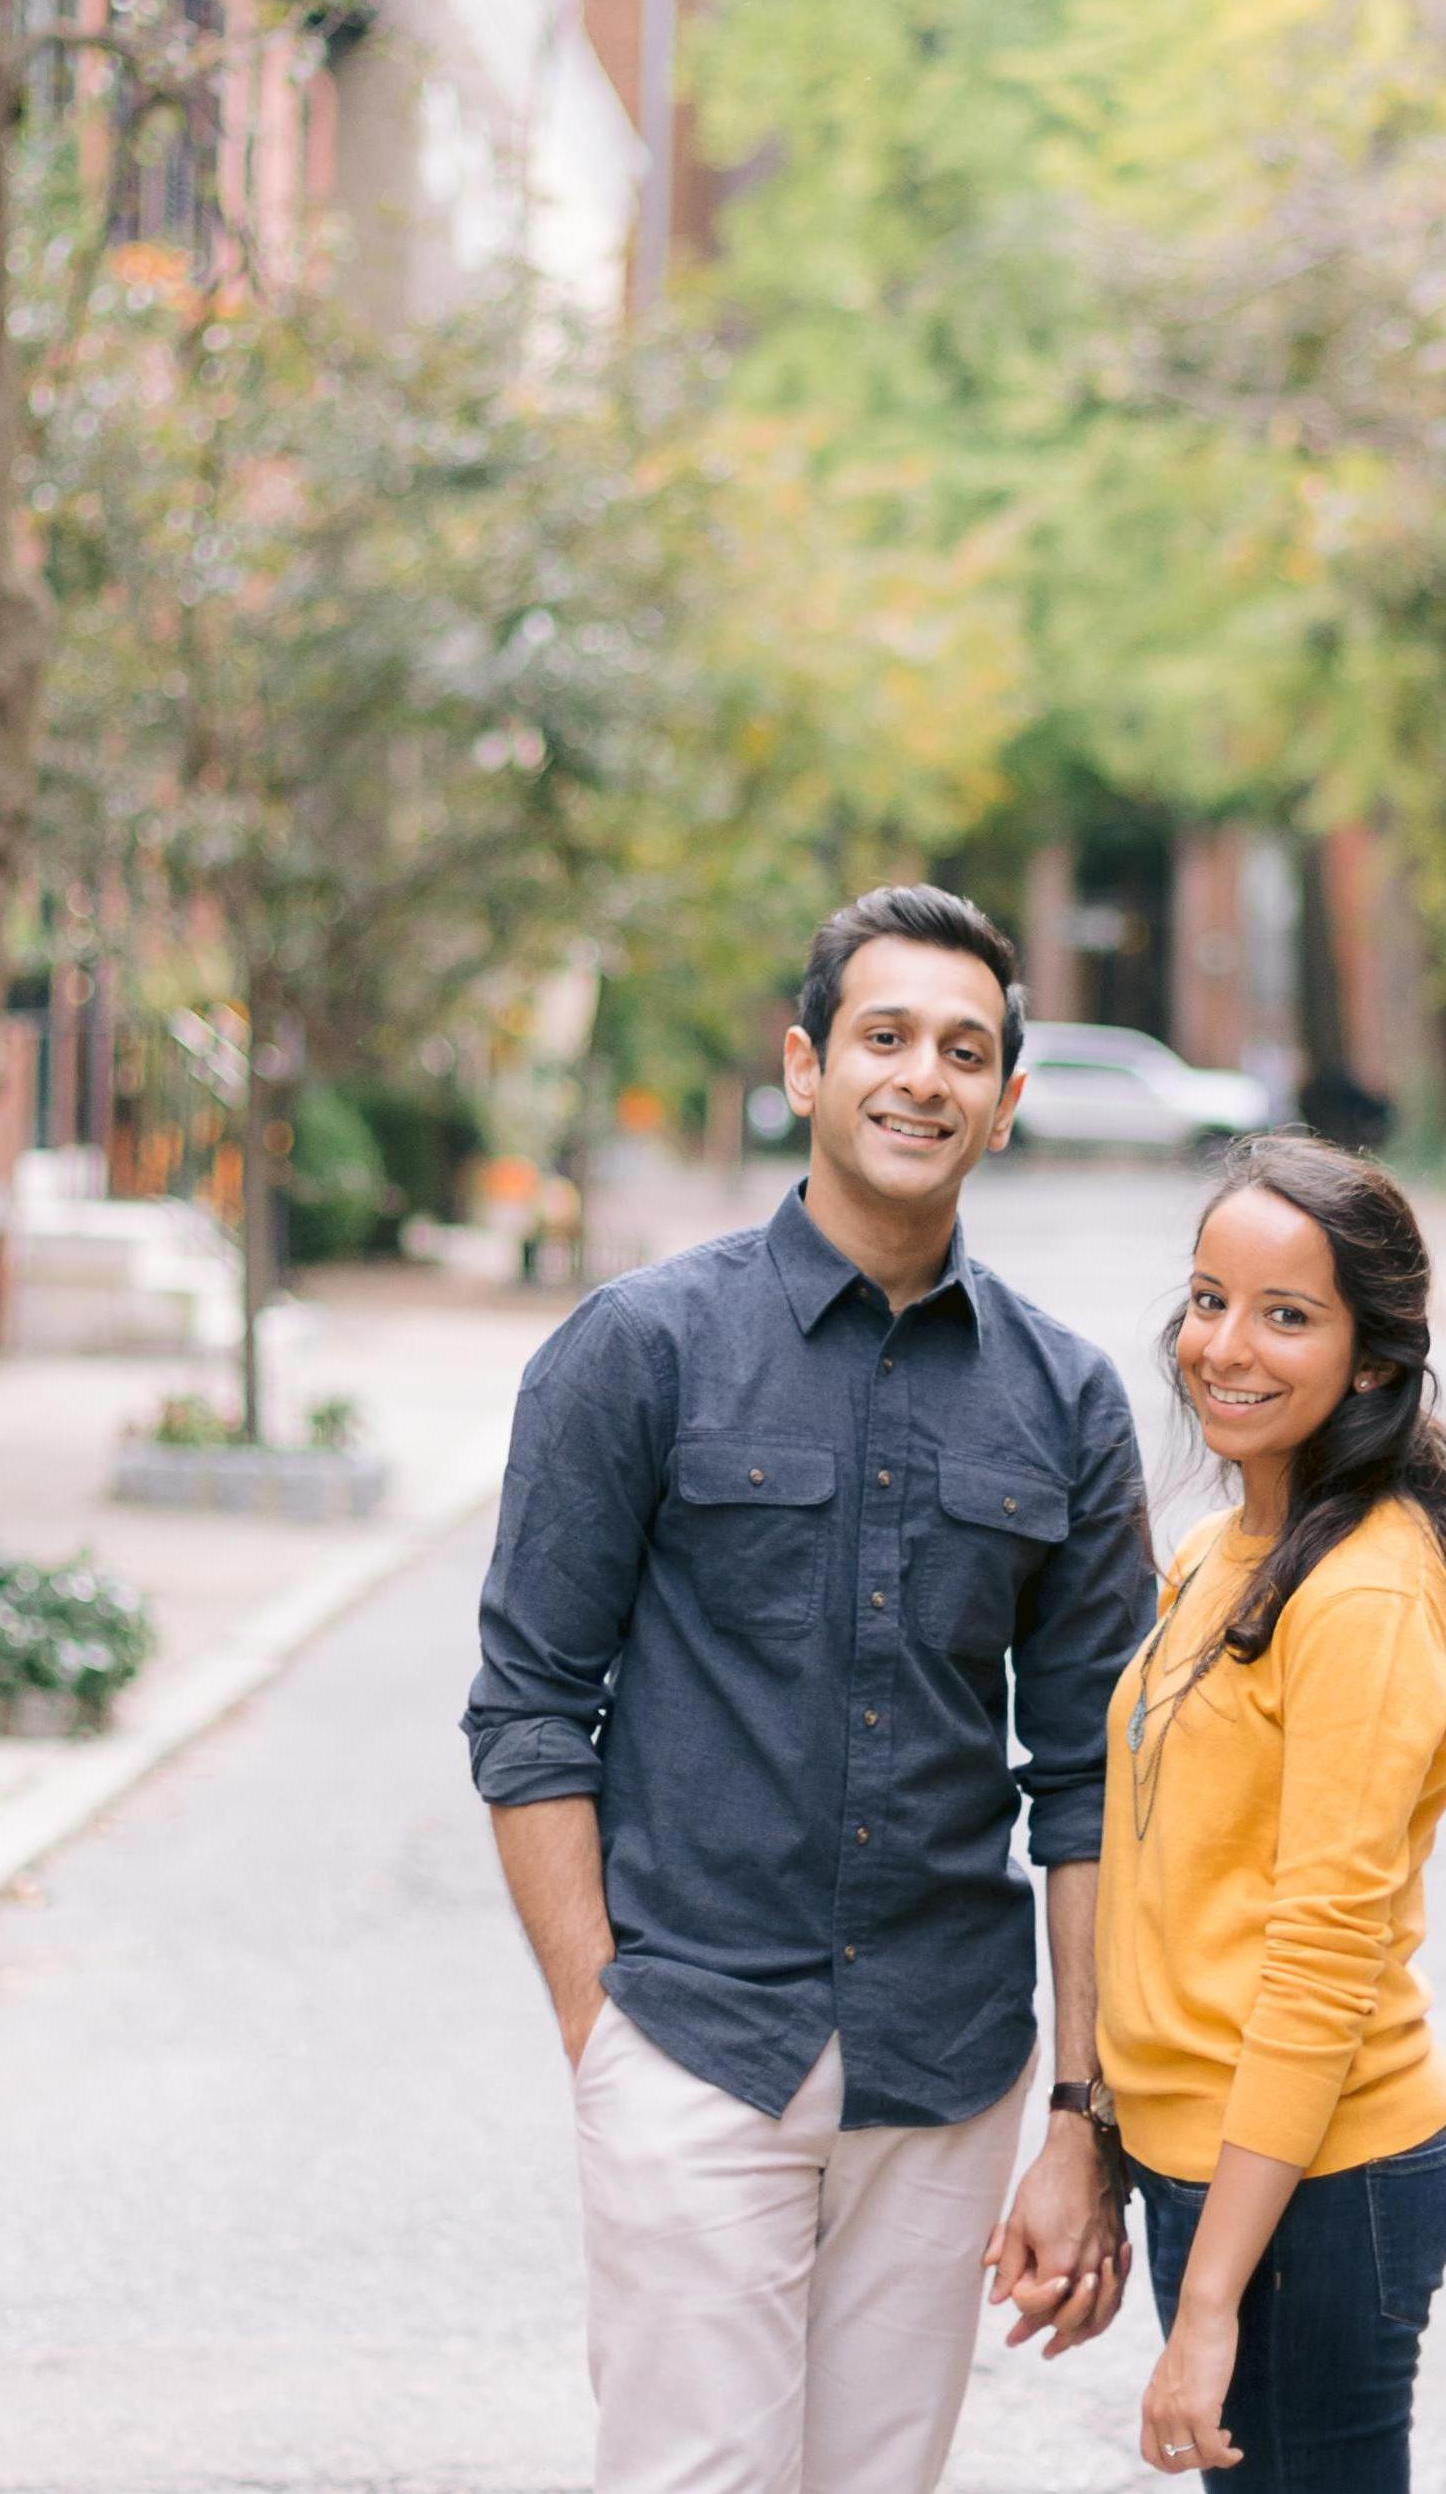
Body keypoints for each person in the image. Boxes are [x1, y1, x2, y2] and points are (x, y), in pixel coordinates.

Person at [464, 884, 1157, 2494]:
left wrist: (1082, 2117)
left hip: (948, 2059)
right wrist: (601, 2029)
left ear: (1008, 1103)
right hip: (694, 2031)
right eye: (886, 1037)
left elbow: (1093, 1780)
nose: (924, 1077)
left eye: (965, 1050)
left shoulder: (1065, 1397)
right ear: (805, 1066)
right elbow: (528, 1711)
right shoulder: (639, 1349)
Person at [1091, 1135, 1446, 2492]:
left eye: (1289, 1316)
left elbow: (1322, 1955)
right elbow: (1165, 1880)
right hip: (1219, 2172)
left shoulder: (1364, 1596)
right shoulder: (1220, 1554)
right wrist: (1103, 2136)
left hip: (1316, 2188)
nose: (1229, 1345)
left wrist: (1213, 2294)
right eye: (1211, 1299)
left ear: (1375, 1361)